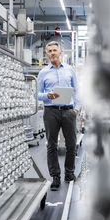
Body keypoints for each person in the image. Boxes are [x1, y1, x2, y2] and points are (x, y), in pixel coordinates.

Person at [37, 41, 81, 191]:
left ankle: (69, 173)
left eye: (55, 50)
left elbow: (77, 91)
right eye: (49, 51)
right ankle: (55, 176)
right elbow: (38, 95)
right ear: (47, 54)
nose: (52, 53)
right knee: (51, 145)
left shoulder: (69, 70)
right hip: (51, 111)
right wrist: (47, 95)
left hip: (69, 111)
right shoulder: (43, 73)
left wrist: (76, 109)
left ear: (60, 53)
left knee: (71, 144)